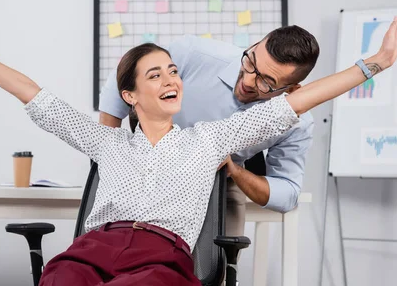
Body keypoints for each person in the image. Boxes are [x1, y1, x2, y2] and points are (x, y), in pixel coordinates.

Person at [0, 11, 397, 286]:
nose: (171, 78)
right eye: (155, 74)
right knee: (60, 280)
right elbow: (30, 92)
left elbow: (300, 101)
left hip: (161, 256)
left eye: (173, 72)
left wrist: (376, 65)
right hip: (95, 245)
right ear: (130, 97)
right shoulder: (105, 140)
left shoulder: (213, 139)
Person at [99, 26, 319, 241]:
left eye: (266, 82)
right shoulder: (193, 54)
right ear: (253, 46)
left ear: (291, 91)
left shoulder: (296, 122)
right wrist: (109, 154)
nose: (248, 81)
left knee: (217, 269)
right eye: (251, 62)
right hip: (146, 172)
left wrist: (235, 172)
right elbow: (122, 79)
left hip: (219, 185)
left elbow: (287, 193)